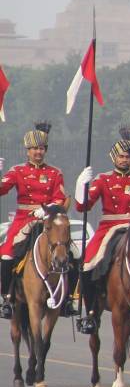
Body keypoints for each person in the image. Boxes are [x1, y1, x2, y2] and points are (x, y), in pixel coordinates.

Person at [73, 127, 130, 333]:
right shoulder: (103, 180)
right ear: (114, 158)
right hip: (109, 228)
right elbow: (83, 207)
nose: (124, 160)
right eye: (121, 156)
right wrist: (80, 187)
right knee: (86, 264)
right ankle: (91, 311)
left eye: (128, 157)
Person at [0, 121, 72, 318]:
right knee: (7, 255)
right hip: (24, 220)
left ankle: (67, 299)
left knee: (71, 253)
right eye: (34, 149)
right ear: (27, 151)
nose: (37, 152)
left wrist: (48, 209)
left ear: (45, 150)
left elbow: (60, 197)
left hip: (49, 221)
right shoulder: (17, 171)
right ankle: (6, 296)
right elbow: (2, 189)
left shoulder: (55, 173)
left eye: (40, 148)